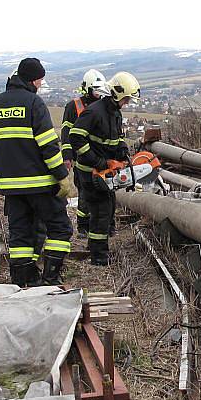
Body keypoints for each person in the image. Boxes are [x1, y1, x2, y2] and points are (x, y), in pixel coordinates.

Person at [0, 57, 72, 286]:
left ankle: (23, 280)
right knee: (60, 229)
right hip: (40, 184)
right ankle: (50, 279)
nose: (40, 85)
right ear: (32, 79)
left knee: (20, 234)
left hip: (11, 187)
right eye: (40, 80)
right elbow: (48, 145)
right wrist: (61, 176)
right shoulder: (33, 104)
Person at [70, 71, 139, 266]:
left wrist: (122, 150)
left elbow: (115, 138)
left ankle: (96, 248)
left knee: (107, 210)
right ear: (117, 93)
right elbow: (76, 137)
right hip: (89, 171)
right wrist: (97, 162)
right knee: (100, 213)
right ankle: (99, 257)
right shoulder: (95, 111)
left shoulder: (114, 112)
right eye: (126, 98)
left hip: (102, 171)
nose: (127, 102)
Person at [60, 69, 111, 238]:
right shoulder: (73, 106)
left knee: (106, 190)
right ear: (87, 89)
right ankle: (83, 226)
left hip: (100, 157)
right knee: (84, 191)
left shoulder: (104, 105)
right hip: (81, 156)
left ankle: (106, 225)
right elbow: (66, 132)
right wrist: (67, 156)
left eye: (100, 90)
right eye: (95, 90)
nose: (98, 94)